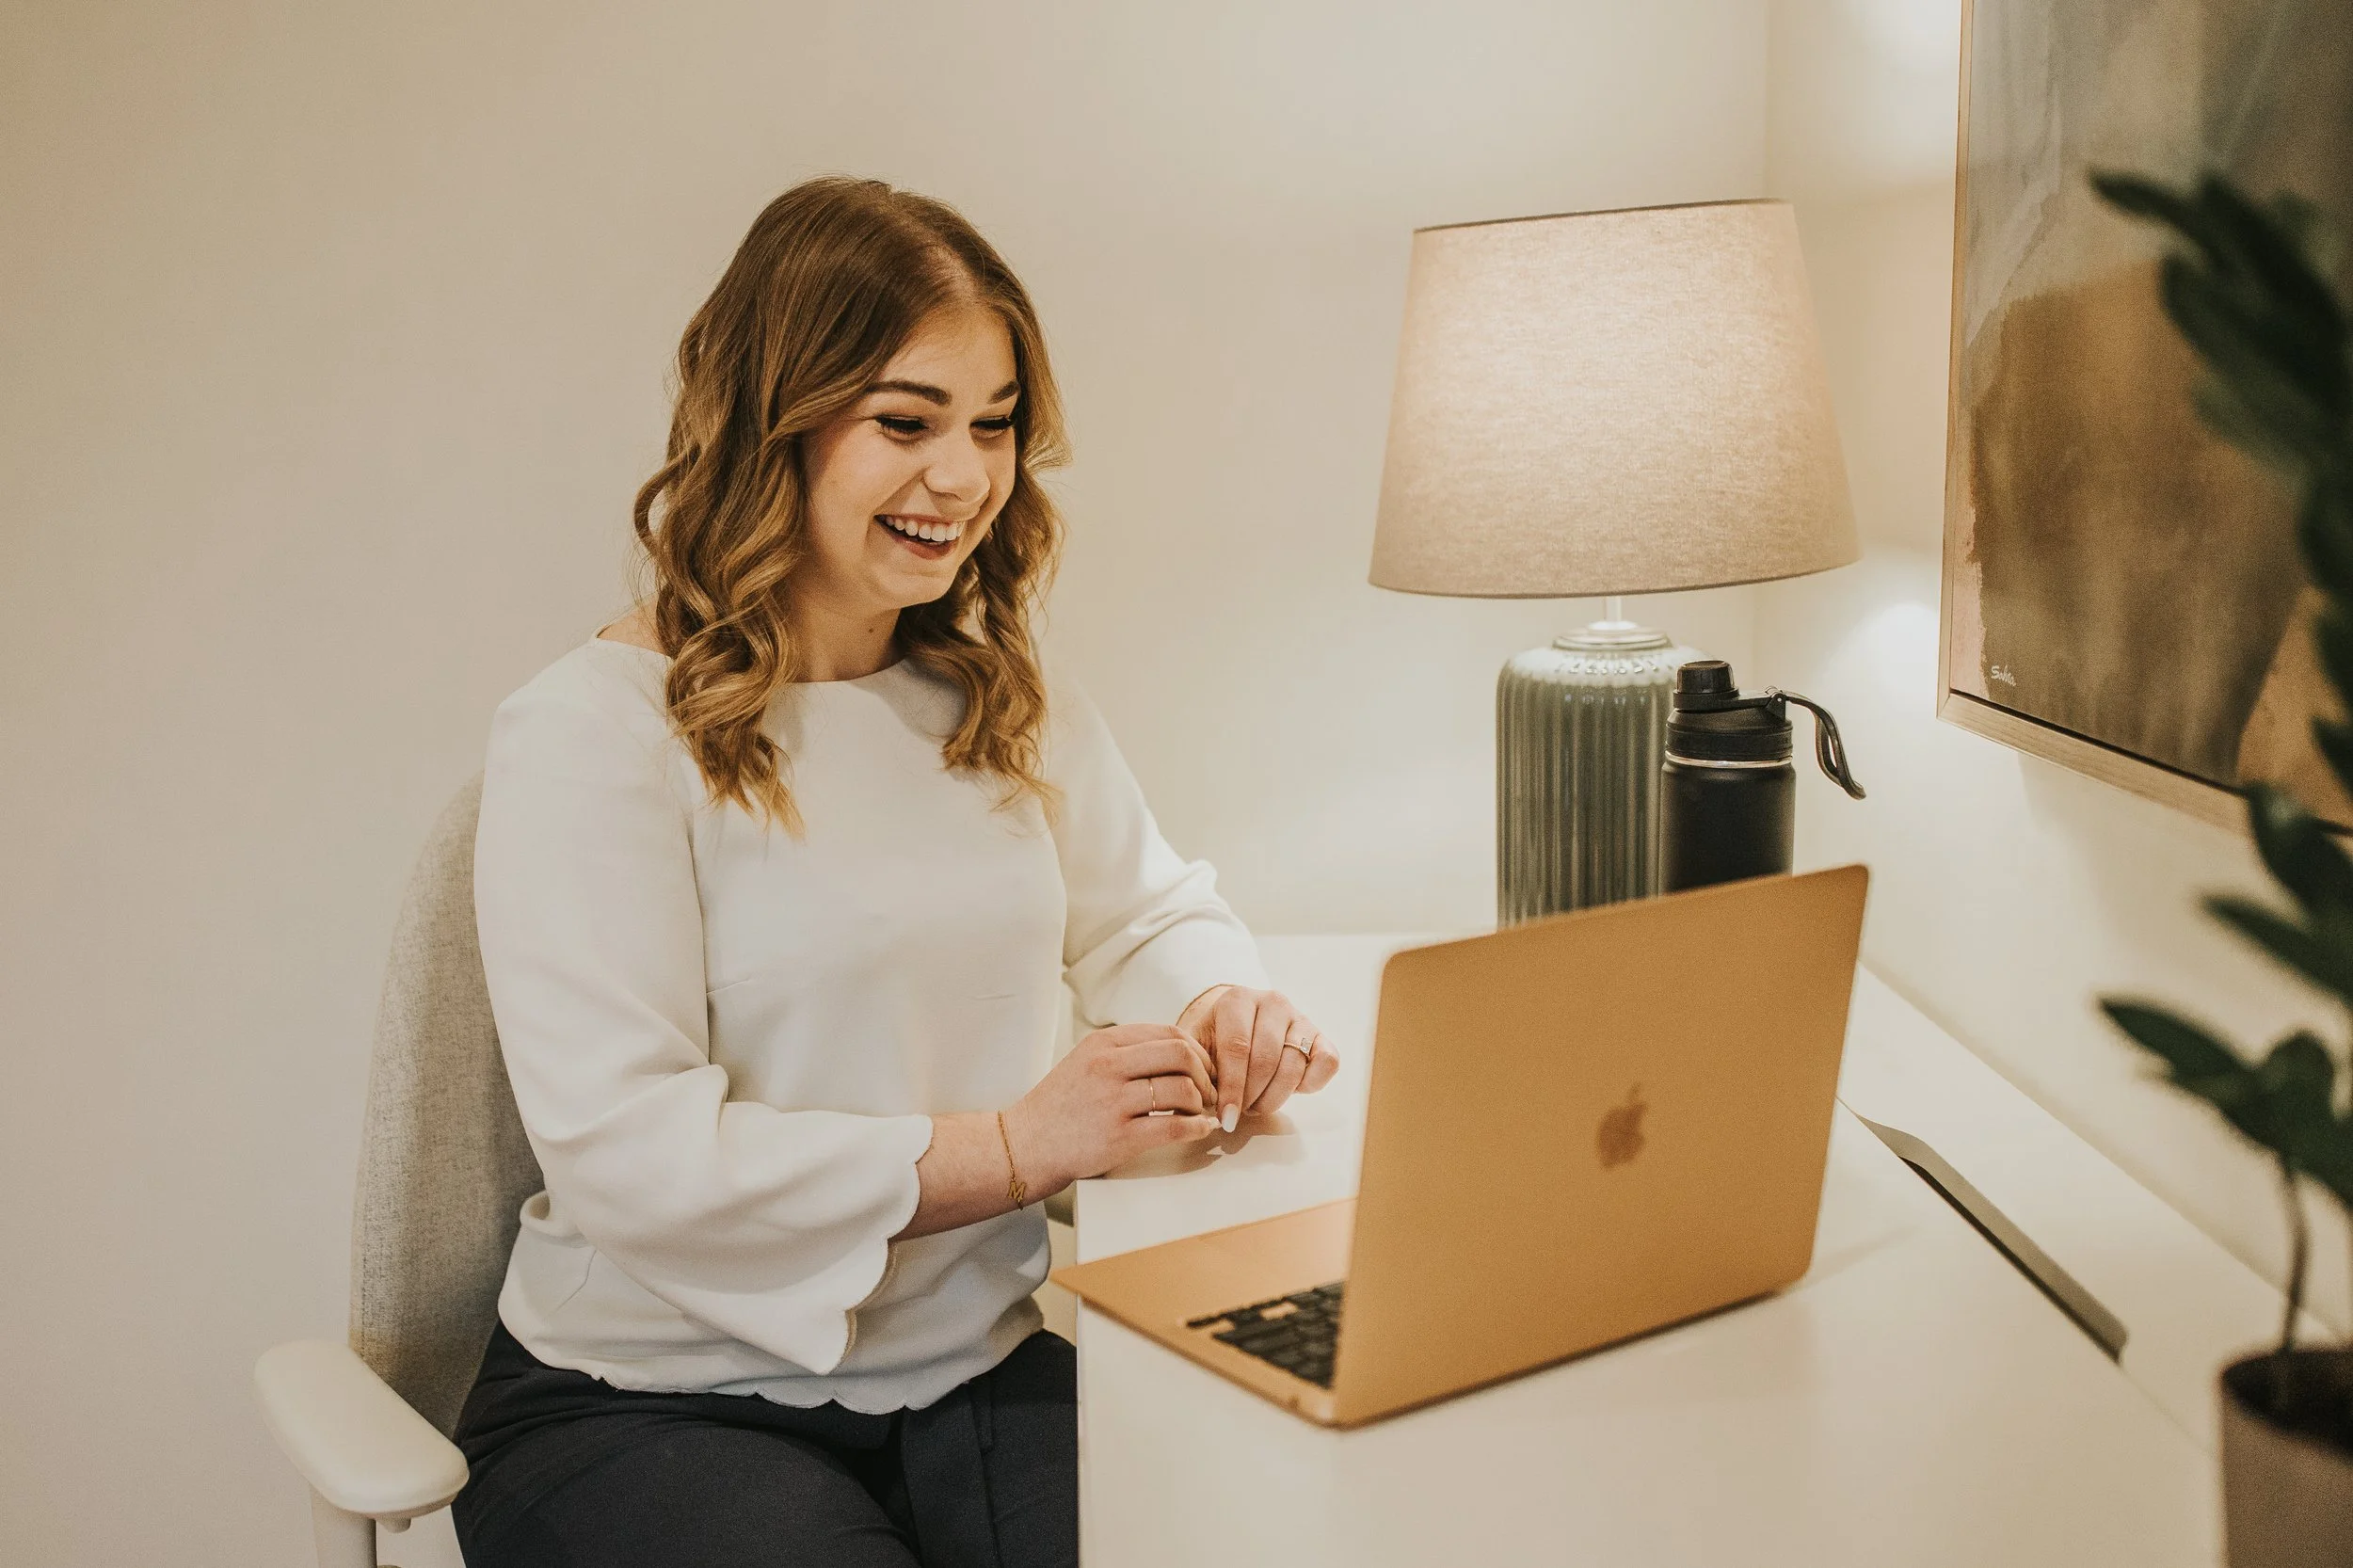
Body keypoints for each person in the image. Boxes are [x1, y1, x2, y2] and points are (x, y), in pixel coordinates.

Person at [448, 175, 1338, 1568]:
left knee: (1251, 1521)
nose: (965, 476)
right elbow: (631, 1155)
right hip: (648, 1402)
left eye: (993, 425)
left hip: (967, 1370)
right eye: (905, 421)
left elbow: (1151, 908)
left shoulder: (996, 698)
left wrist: (1225, 1002)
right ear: (775, 423)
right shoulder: (589, 735)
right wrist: (1008, 1147)